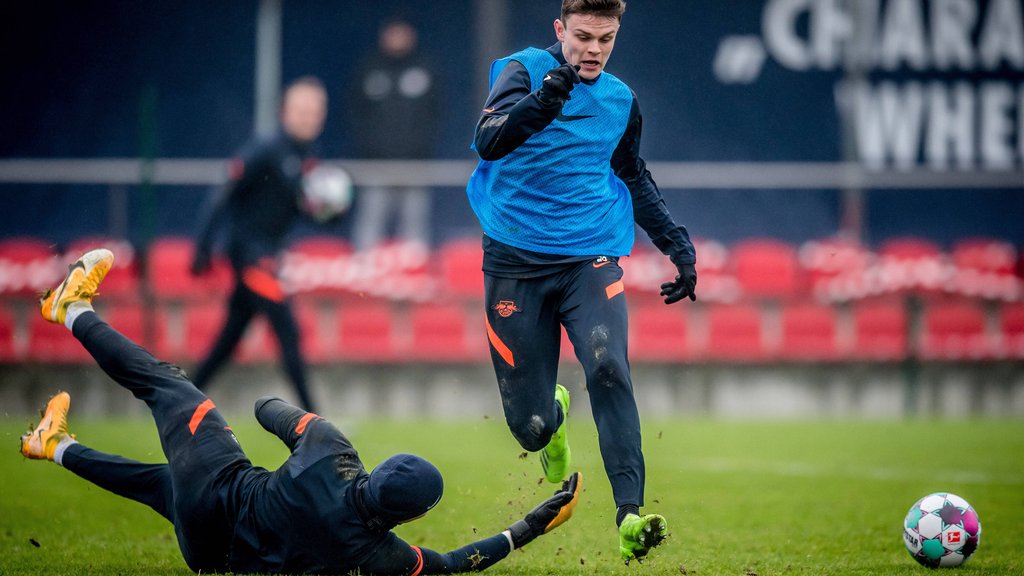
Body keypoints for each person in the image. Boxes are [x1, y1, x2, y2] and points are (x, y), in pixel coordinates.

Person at [22, 248, 582, 575]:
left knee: (169, 387)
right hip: (209, 552)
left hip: (221, 491)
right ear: (406, 518)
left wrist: (306, 430)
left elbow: (267, 408)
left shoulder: (332, 451)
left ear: (381, 469)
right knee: (160, 482)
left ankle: (71, 310)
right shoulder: (373, 551)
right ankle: (54, 444)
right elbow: (450, 565)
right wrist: (526, 528)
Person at [466, 0, 698, 563]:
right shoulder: (520, 71)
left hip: (589, 257)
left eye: (606, 38)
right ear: (560, 30)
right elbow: (488, 140)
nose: (593, 50)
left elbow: (632, 175)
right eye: (584, 37)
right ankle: (554, 419)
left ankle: (631, 515)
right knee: (532, 427)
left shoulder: (620, 101)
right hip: (514, 263)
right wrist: (547, 97)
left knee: (609, 366)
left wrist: (677, 245)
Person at [191, 76, 329, 412]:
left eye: (315, 111)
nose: (308, 118)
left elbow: (302, 210)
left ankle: (178, 401)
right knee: (289, 332)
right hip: (251, 257)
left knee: (228, 341)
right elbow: (223, 192)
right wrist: (203, 245)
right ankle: (316, 420)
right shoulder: (266, 149)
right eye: (302, 110)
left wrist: (330, 213)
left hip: (266, 255)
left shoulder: (304, 157)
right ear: (285, 111)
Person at [349, 17, 438, 250]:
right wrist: (370, 147)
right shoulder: (370, 68)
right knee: (370, 225)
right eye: (392, 32)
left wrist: (419, 146)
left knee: (414, 232)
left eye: (402, 32)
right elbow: (355, 112)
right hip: (375, 164)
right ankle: (364, 280)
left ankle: (413, 281)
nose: (397, 38)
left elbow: (436, 112)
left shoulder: (425, 68)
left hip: (415, 164)